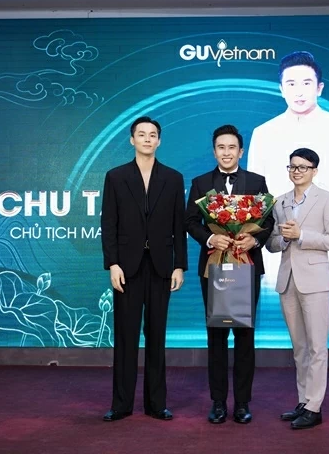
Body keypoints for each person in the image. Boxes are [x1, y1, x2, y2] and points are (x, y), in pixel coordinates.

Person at [247, 50, 329, 334]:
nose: (299, 91)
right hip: (280, 242)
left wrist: (320, 204)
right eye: (291, 83)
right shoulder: (264, 133)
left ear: (319, 87)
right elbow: (256, 191)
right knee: (277, 328)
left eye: (306, 83)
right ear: (281, 89)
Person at [185, 124, 274, 425]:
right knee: (217, 335)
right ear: (214, 151)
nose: (226, 152)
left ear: (241, 151)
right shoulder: (200, 183)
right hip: (214, 267)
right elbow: (190, 221)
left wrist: (254, 240)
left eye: (232, 147)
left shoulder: (257, 181)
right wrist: (211, 238)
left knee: (245, 336)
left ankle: (243, 403)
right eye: (221, 147)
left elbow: (269, 222)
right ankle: (219, 402)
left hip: (246, 266)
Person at [100, 115, 188, 422]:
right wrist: (112, 263)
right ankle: (121, 404)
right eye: (142, 134)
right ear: (132, 140)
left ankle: (156, 404)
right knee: (126, 336)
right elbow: (108, 223)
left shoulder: (173, 178)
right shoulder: (116, 176)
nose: (147, 139)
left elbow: (179, 225)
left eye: (153, 134)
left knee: (156, 335)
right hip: (127, 267)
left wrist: (179, 265)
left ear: (159, 141)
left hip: (161, 266)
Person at [266, 148, 329, 430]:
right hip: (288, 281)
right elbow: (271, 243)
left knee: (317, 347)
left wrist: (302, 235)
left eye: (303, 167)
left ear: (314, 171)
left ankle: (314, 406)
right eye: (292, 166)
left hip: (316, 282)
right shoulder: (280, 202)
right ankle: (304, 401)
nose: (296, 171)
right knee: (299, 348)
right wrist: (285, 240)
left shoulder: (328, 199)